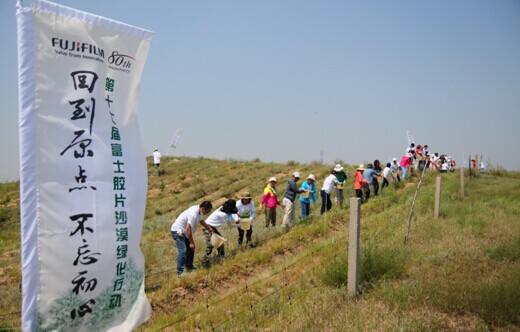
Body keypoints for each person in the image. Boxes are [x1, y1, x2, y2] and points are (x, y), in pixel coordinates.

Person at [170, 201, 213, 277]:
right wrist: (192, 242)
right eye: (207, 211)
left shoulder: (199, 211)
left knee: (191, 249)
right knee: (183, 250)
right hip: (177, 231)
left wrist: (209, 228)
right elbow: (188, 229)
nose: (207, 213)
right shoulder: (193, 213)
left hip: (184, 232)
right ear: (203, 208)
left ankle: (189, 267)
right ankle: (180, 273)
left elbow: (201, 221)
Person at [202, 199, 239, 267]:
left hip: (212, 227)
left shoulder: (222, 208)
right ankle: (205, 261)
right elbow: (230, 223)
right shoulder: (223, 215)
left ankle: (221, 258)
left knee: (220, 243)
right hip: (207, 227)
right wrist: (238, 222)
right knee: (211, 244)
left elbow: (231, 215)